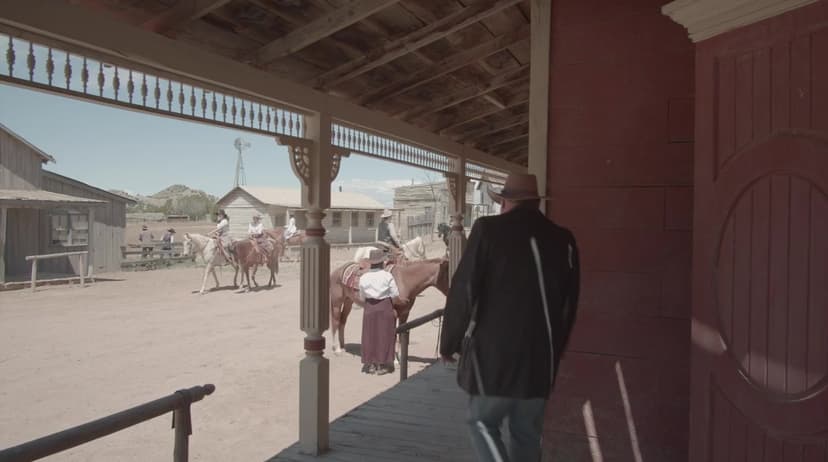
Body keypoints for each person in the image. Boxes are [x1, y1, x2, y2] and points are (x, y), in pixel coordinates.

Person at [439, 173, 580, 462]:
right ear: (536, 202)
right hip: (541, 359)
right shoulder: (564, 239)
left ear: (506, 202)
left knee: (481, 422)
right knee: (526, 432)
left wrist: (449, 343)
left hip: (494, 359)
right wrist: (555, 351)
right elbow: (569, 305)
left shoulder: (488, 229)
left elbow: (464, 289)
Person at [358, 249, 400, 375]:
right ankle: (382, 365)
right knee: (385, 334)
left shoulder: (364, 277)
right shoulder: (387, 276)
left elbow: (362, 296)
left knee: (369, 335)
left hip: (370, 307)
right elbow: (395, 294)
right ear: (382, 263)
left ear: (371, 263)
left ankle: (371, 364)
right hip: (385, 307)